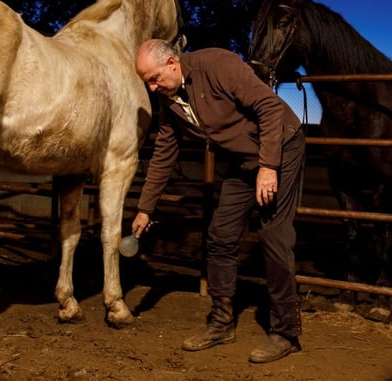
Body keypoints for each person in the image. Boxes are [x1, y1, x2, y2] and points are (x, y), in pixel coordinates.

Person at [131, 38, 306, 364]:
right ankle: (222, 323)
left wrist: (269, 167)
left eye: (154, 78)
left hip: (280, 144)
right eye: (147, 83)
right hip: (244, 160)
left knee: (274, 235)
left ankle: (286, 332)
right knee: (220, 234)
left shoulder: (217, 65)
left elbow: (268, 107)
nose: (153, 88)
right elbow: (165, 151)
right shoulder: (169, 99)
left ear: (171, 63)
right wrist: (145, 208)